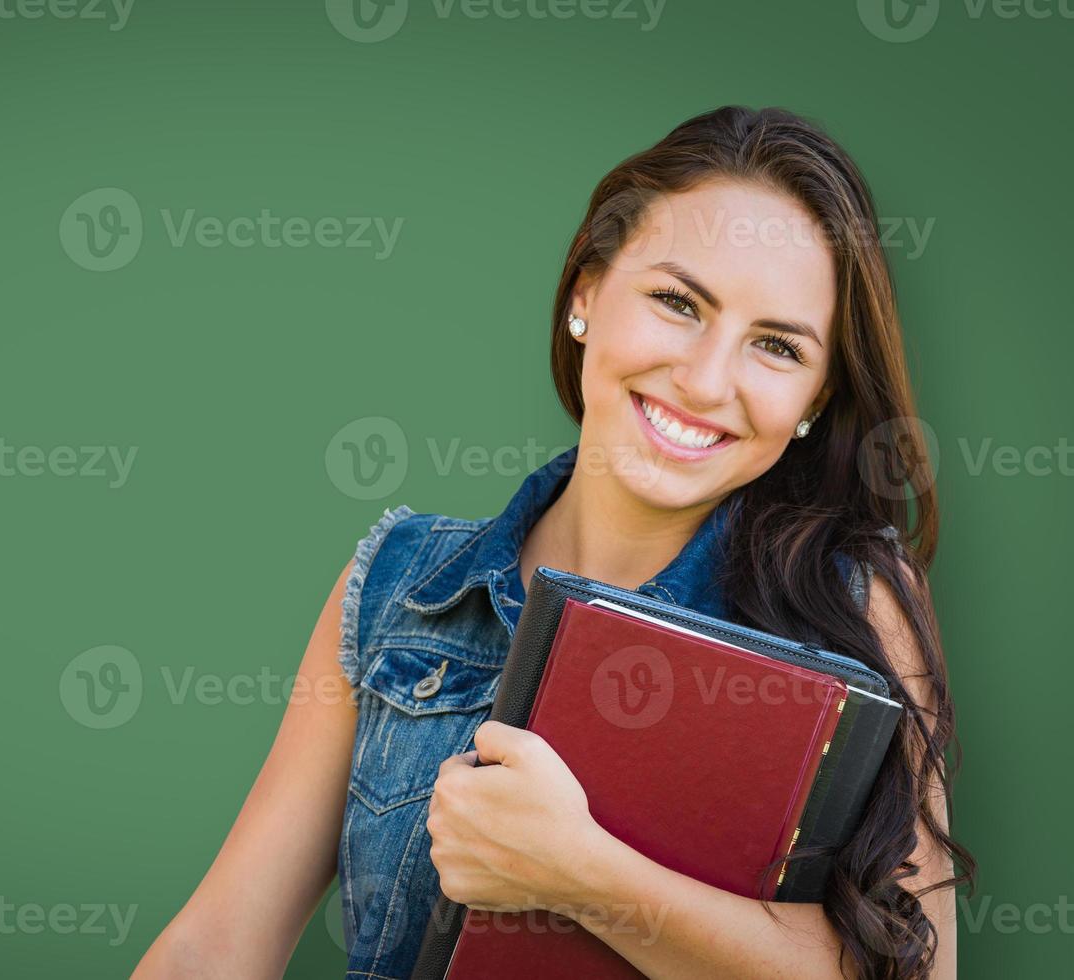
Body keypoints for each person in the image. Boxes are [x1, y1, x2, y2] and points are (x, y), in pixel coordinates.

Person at [133, 105, 973, 980]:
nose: (705, 379)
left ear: (813, 400)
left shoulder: (853, 604)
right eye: (677, 302)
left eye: (775, 345)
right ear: (585, 297)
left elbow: (916, 970)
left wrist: (578, 875)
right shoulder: (398, 584)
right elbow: (218, 941)